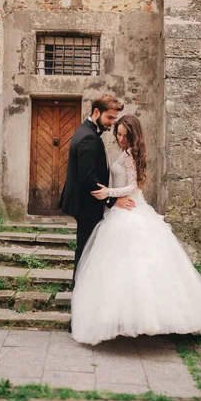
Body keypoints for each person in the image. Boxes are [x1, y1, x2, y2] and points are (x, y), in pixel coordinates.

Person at [71, 114, 201, 345]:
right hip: (121, 209)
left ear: (133, 135)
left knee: (140, 265)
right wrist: (110, 200)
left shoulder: (132, 153)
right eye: (119, 134)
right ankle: (124, 317)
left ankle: (147, 319)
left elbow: (133, 186)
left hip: (130, 209)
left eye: (125, 135)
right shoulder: (126, 152)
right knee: (119, 267)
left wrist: (108, 194)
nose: (121, 139)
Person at [60, 95, 136, 287]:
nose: (112, 123)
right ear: (96, 112)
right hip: (87, 206)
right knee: (85, 252)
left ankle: (83, 291)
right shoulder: (88, 137)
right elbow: (87, 178)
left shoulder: (86, 131)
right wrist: (112, 201)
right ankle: (80, 294)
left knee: (86, 251)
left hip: (88, 204)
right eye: (109, 118)